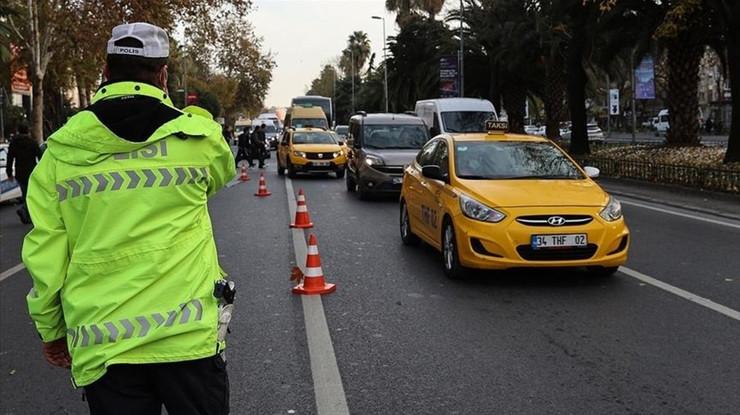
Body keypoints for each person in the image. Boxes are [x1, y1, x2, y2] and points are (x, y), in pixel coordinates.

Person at [22, 22, 235, 415]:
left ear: (105, 71)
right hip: (187, 341)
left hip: (105, 345)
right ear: (163, 73)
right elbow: (223, 172)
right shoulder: (197, 140)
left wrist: (52, 331)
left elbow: (46, 255)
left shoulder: (60, 151)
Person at [5, 124, 42, 224]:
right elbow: (40, 157)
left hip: (19, 172)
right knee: (32, 194)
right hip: (31, 172)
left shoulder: (14, 143)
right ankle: (24, 211)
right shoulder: (32, 143)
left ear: (18, 131)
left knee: (25, 193)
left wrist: (9, 173)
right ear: (28, 131)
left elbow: (10, 159)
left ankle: (27, 214)